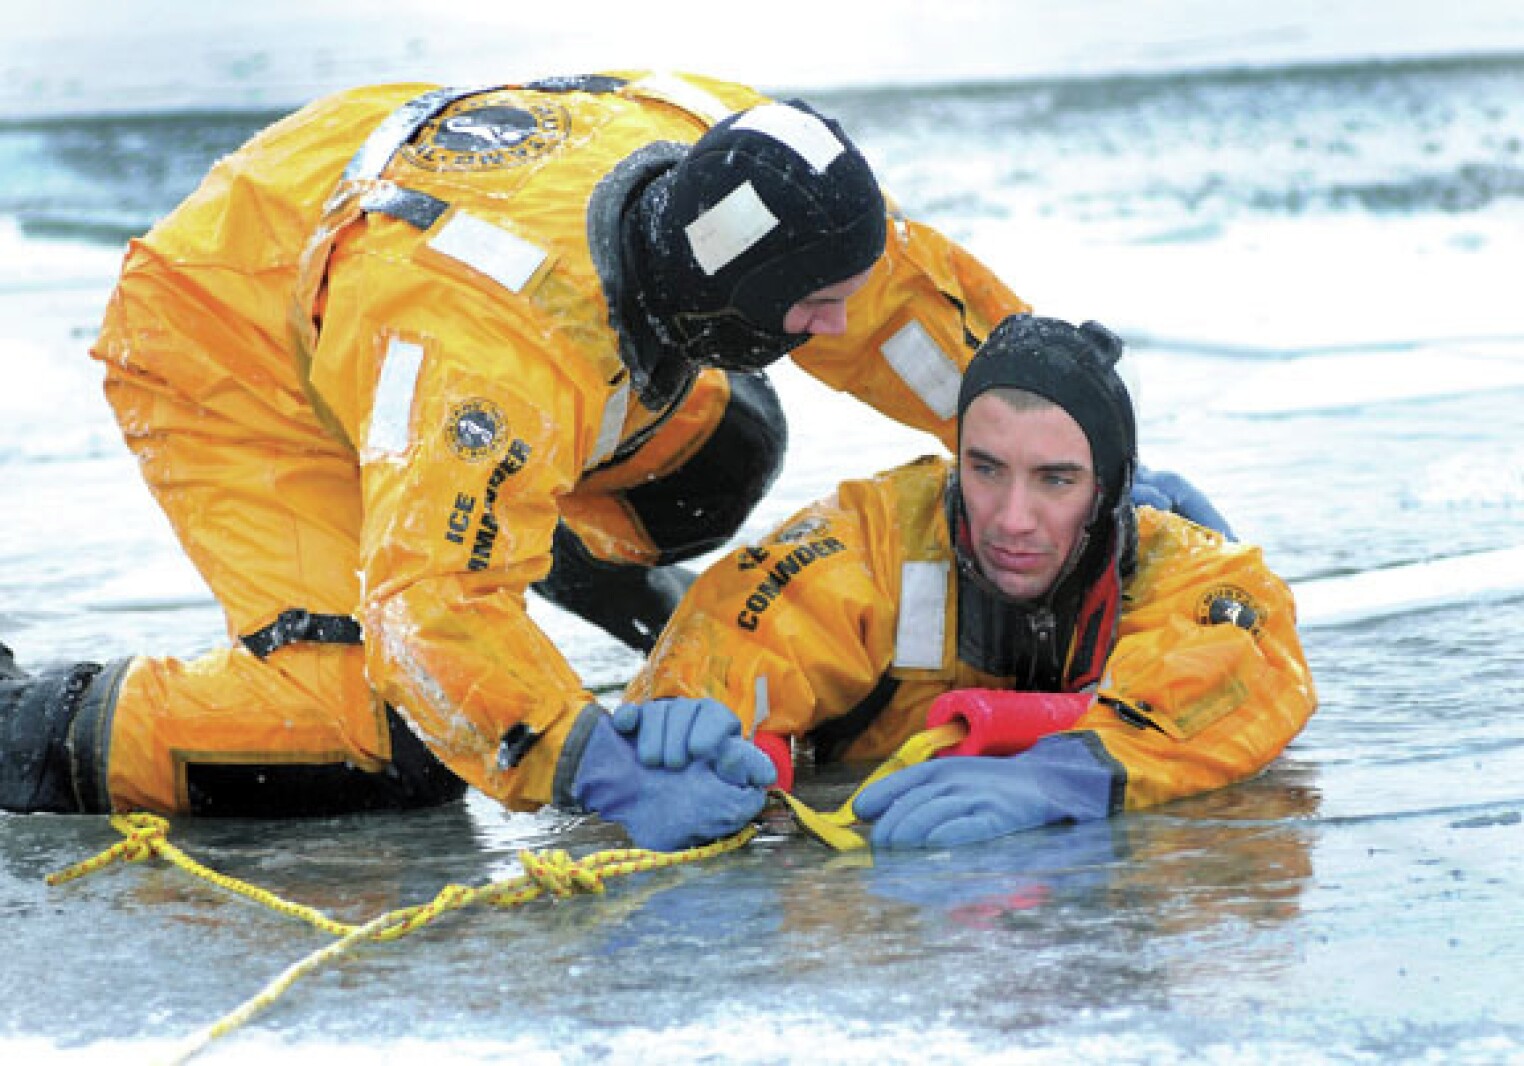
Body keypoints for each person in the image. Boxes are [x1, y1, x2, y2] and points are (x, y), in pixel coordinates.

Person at [0, 71, 1224, 845]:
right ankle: (26, 727)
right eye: (810, 313)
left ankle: (520, 530)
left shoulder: (719, 159)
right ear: (729, 297)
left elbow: (893, 294)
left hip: (345, 213)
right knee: (382, 741)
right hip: (231, 338)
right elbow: (429, 614)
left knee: (720, 444)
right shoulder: (486, 358)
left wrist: (1072, 441)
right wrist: (581, 760)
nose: (837, 330)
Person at [620, 313, 1317, 849]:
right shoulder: (873, 539)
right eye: (985, 470)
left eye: (1055, 480)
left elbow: (1254, 680)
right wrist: (699, 723)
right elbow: (738, 632)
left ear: (1109, 491)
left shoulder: (1184, 567)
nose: (1012, 519)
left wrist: (1063, 777)